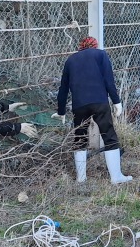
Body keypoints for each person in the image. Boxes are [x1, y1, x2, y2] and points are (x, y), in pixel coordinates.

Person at [53, 36, 131, 184]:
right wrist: (116, 101)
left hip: (79, 105)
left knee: (80, 139)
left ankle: (81, 178)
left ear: (81, 46)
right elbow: (109, 81)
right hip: (99, 102)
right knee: (109, 136)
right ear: (94, 45)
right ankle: (116, 177)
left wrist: (61, 111)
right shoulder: (101, 55)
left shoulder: (70, 60)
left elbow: (63, 89)